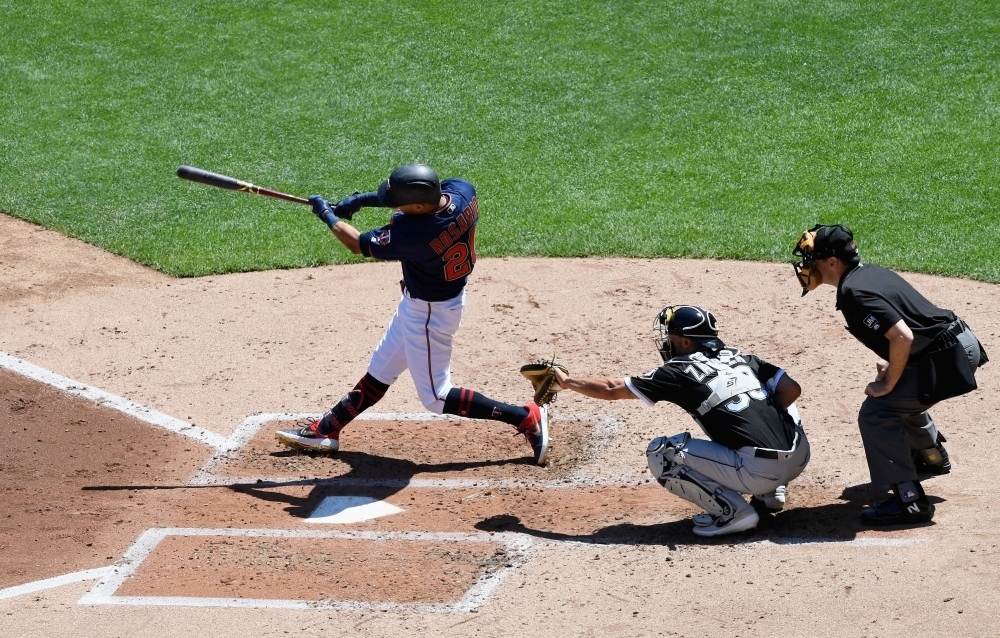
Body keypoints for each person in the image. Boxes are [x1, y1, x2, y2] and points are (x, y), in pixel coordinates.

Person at [275, 164, 549, 464]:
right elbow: (420, 194)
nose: (395, 206)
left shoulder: (416, 234)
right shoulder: (462, 191)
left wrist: (326, 214)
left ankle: (524, 416)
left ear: (418, 206)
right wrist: (361, 200)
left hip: (430, 314)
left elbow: (356, 243)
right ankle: (327, 429)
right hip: (428, 302)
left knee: (436, 396)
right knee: (381, 368)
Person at [552, 305, 810, 537]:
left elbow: (612, 388)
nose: (667, 343)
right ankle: (773, 491)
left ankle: (734, 513)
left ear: (686, 341)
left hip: (756, 471)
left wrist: (566, 382)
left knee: (662, 454)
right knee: (766, 398)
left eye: (671, 338)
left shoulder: (677, 370)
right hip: (799, 458)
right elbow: (792, 389)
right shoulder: (740, 357)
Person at [792, 224, 988, 525]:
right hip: (957, 343)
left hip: (946, 357)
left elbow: (902, 336)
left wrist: (890, 381)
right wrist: (894, 365)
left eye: (813, 259)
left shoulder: (853, 292)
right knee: (901, 397)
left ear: (832, 262)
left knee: (879, 410)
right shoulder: (868, 274)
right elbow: (909, 326)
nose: (807, 266)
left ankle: (909, 502)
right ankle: (930, 455)